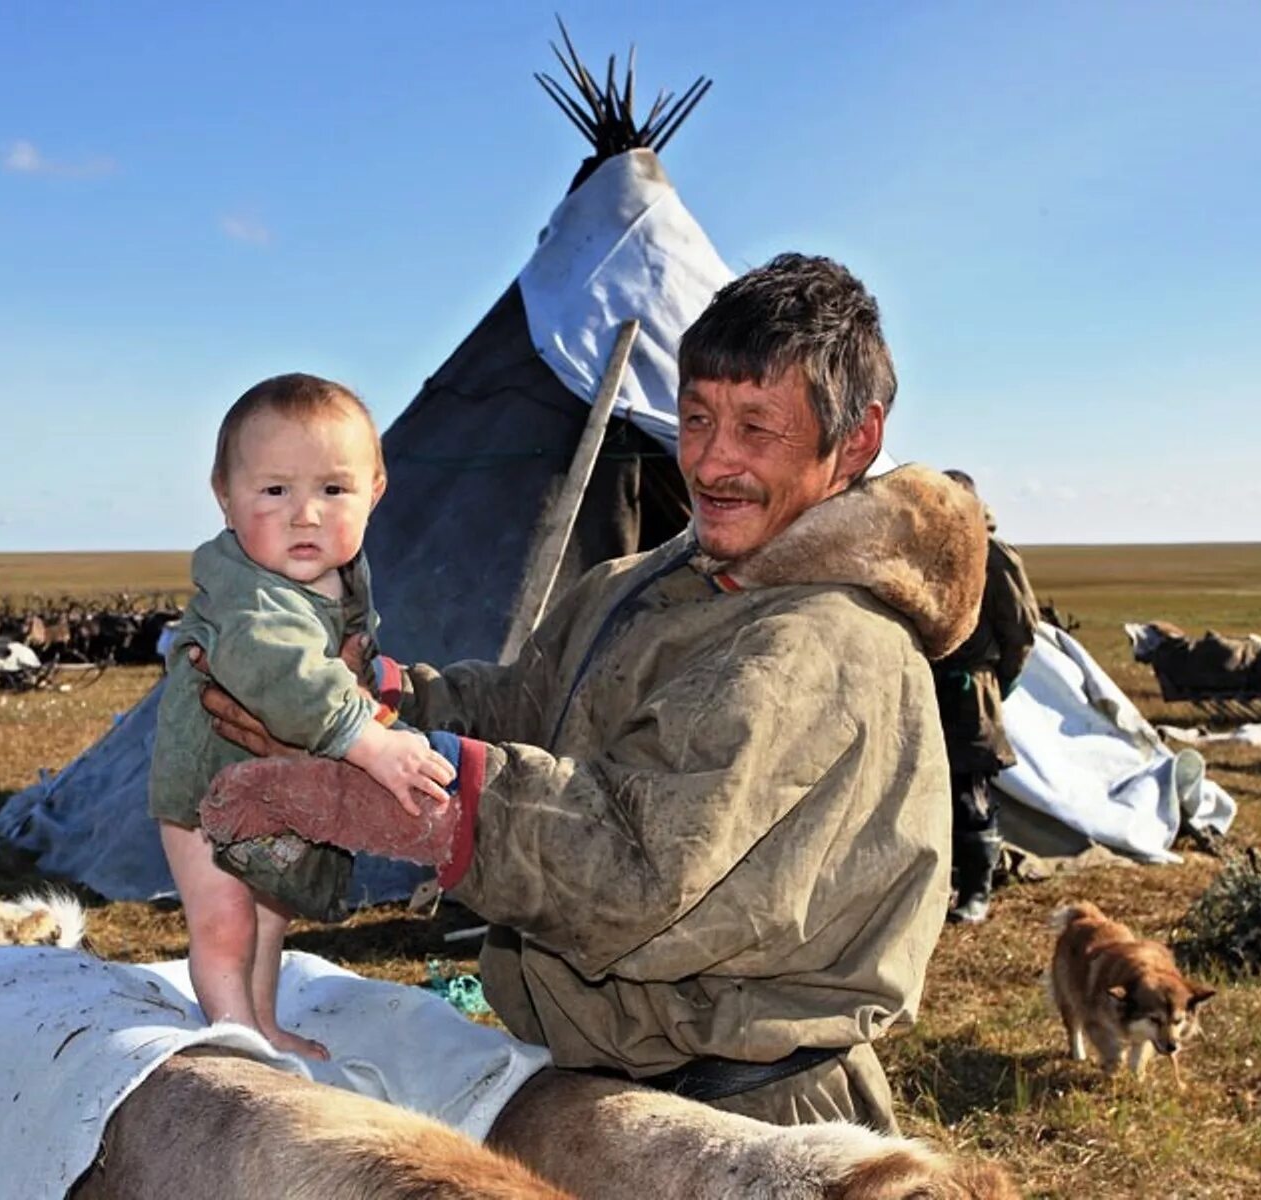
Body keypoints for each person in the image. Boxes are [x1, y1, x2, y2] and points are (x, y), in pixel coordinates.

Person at [193, 254, 989, 1130]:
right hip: (610, 1094)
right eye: (695, 419)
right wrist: (366, 704)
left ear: (858, 440)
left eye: (757, 430)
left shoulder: (828, 644)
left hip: (752, 1123)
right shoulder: (640, 583)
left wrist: (396, 800)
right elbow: (523, 711)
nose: (712, 462)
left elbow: (640, 859)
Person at [149, 372, 456, 1061]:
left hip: (264, 788)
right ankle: (239, 1047)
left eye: (333, 490)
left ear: (374, 492)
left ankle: (261, 1019)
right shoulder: (248, 597)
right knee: (226, 922)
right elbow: (286, 673)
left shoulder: (335, 578)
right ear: (224, 497)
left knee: (266, 913)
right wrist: (370, 742)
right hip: (204, 795)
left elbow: (341, 659)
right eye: (275, 490)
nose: (306, 514)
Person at [933, 470, 1040, 925]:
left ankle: (977, 892)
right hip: (926, 685)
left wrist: (998, 686)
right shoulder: (928, 553)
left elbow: (1021, 632)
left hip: (971, 689)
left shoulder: (994, 557)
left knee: (970, 794)